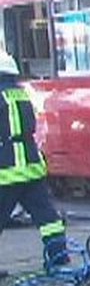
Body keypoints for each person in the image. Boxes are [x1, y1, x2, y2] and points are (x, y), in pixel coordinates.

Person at [0, 51, 68, 271]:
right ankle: (58, 258)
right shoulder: (21, 94)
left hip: (6, 171)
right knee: (47, 217)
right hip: (31, 167)